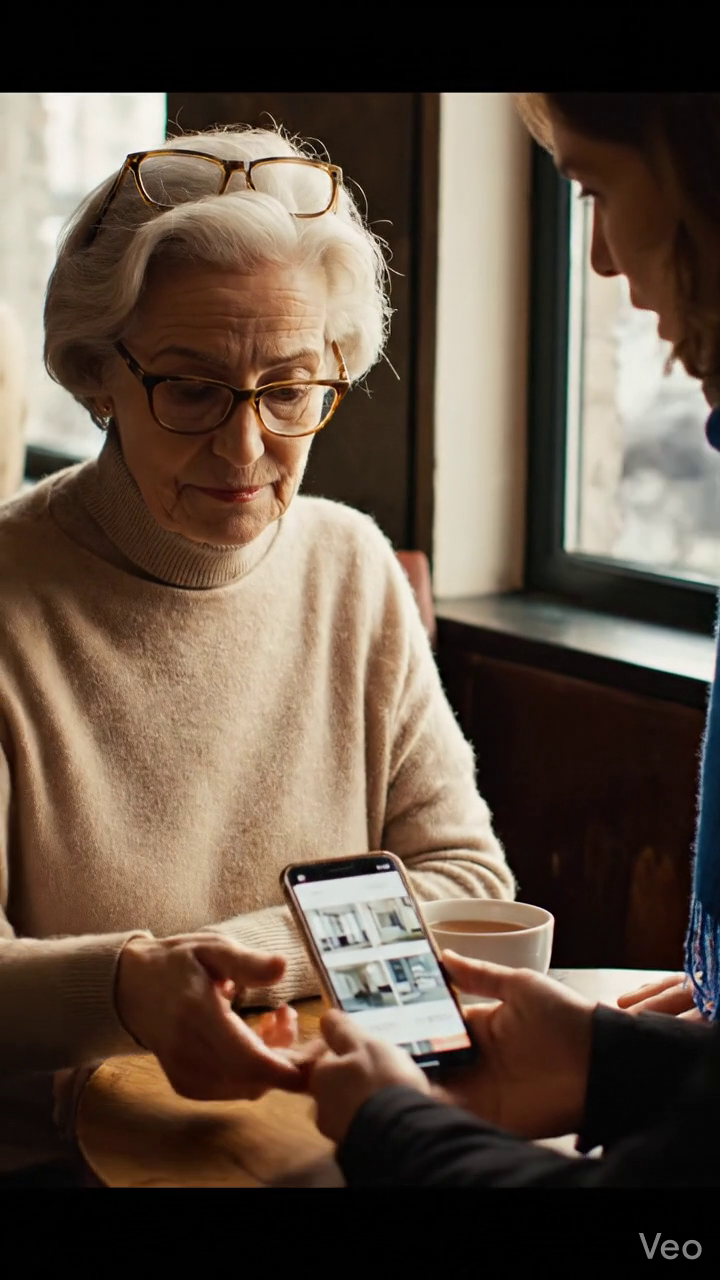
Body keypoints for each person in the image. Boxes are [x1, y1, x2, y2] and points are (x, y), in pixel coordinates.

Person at [0, 126, 514, 1183]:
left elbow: (469, 884)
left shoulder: (351, 564)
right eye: (190, 389)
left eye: (289, 389)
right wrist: (133, 987)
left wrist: (226, 961)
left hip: (332, 1141)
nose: (246, 448)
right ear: (96, 373)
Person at [307, 93, 720, 1187]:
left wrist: (387, 1124)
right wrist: (622, 1064)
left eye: (593, 187)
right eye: (190, 384)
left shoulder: (348, 564)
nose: (599, 261)